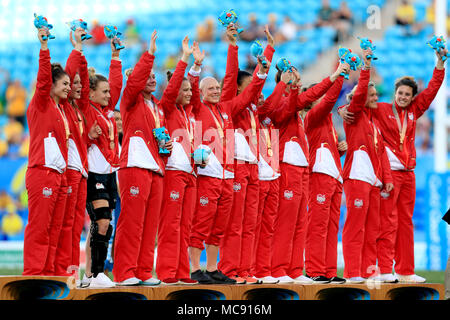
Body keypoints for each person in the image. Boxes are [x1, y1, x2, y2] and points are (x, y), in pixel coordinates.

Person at [340, 46, 447, 283]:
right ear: (395, 93)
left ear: (411, 97)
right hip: (387, 175)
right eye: (400, 93)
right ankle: (386, 269)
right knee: (387, 222)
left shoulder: (414, 112)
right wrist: (342, 109)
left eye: (408, 95)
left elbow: (431, 91)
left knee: (406, 223)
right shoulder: (382, 109)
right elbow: (357, 105)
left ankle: (405, 270)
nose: (403, 97)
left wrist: (439, 66)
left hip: (409, 174)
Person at [187, 25, 269, 284]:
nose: (213, 90)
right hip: (208, 175)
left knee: (218, 227)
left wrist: (261, 70)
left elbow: (245, 87)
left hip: (225, 176)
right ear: (200, 93)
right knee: (202, 223)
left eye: (215, 88)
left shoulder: (227, 108)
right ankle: (193, 269)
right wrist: (197, 68)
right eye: (209, 88)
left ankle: (212, 269)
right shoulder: (197, 108)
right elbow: (195, 84)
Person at [113, 30, 173, 286]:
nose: (151, 79)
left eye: (153, 76)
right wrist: (150, 54)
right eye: (146, 76)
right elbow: (136, 80)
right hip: (134, 166)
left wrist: (166, 146)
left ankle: (144, 271)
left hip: (156, 168)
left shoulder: (157, 107)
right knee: (132, 222)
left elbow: (158, 139)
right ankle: (125, 272)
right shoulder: (130, 101)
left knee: (151, 225)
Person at [218, 25, 274, 285]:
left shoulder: (252, 111)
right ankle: (229, 270)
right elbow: (230, 78)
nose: (255, 88)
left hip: (253, 167)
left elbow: (263, 94)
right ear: (239, 90)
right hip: (238, 166)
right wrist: (233, 44)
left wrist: (268, 54)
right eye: (249, 85)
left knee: (250, 224)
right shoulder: (232, 104)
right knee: (235, 223)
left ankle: (245, 269)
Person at [338, 50, 394, 283]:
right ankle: (352, 273)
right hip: (357, 178)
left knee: (372, 231)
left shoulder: (374, 124)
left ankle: (370, 273)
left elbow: (381, 155)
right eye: (371, 95)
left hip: (372, 181)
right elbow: (359, 94)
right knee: (355, 227)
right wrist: (366, 67)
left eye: (376, 95)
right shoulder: (353, 115)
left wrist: (387, 178)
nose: (375, 98)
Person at [23, 27, 71, 276]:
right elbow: (42, 79)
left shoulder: (60, 109)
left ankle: (50, 273)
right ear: (50, 86)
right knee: (40, 227)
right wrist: (44, 49)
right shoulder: (41, 103)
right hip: (42, 171)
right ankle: (33, 273)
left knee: (55, 229)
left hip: (58, 175)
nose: (68, 89)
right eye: (64, 84)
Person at [155, 38, 203, 285]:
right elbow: (173, 89)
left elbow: (195, 96)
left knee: (186, 227)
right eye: (183, 91)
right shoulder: (168, 109)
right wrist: (185, 62)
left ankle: (182, 273)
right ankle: (166, 273)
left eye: (189, 91)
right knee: (170, 226)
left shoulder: (189, 114)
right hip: (173, 173)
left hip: (191, 175)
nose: (188, 94)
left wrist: (196, 69)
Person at [54, 28, 100, 277]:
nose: (79, 87)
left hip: (80, 172)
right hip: (68, 172)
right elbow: (73, 74)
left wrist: (88, 137)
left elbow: (81, 74)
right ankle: (61, 272)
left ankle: (71, 272)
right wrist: (78, 50)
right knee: (64, 226)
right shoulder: (61, 106)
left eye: (83, 84)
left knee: (73, 227)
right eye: (75, 84)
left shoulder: (79, 110)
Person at [80, 34, 124, 288]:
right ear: (92, 93)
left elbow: (116, 84)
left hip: (109, 174)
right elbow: (84, 86)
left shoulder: (106, 112)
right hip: (94, 173)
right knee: (103, 221)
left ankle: (92, 274)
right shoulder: (87, 108)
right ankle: (95, 273)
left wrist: (115, 57)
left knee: (103, 225)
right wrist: (81, 49)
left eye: (109, 92)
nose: (109, 96)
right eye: (104, 92)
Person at [303, 62, 350, 284]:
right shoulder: (312, 116)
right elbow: (330, 99)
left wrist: (340, 151)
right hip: (320, 176)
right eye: (319, 97)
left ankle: (329, 271)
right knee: (318, 225)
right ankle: (314, 270)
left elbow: (325, 151)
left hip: (334, 176)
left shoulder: (328, 122)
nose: (323, 101)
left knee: (332, 227)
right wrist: (339, 75)